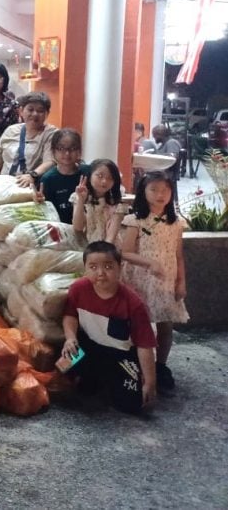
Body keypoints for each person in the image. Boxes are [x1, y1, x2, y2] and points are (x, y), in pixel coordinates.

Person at [59, 241, 157, 414]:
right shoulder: (78, 289)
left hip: (122, 355)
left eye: (108, 266)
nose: (100, 273)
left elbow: (144, 346)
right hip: (91, 346)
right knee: (63, 367)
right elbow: (70, 315)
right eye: (93, 267)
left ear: (120, 268)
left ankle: (105, 379)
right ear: (85, 269)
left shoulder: (133, 303)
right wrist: (70, 338)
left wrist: (150, 383)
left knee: (133, 404)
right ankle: (95, 378)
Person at [120, 170, 188, 394]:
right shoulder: (135, 220)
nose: (160, 194)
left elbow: (179, 255)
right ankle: (135, 363)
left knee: (165, 324)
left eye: (165, 190)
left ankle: (161, 365)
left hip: (165, 281)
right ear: (143, 191)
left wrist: (181, 282)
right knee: (136, 323)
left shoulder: (176, 223)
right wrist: (149, 263)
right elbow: (125, 252)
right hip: (139, 280)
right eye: (154, 189)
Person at [0, 91, 57, 189]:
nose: (35, 114)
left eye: (40, 111)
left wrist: (32, 175)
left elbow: (50, 161)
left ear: (47, 114)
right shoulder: (11, 131)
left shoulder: (51, 133)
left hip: (30, 189)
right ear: (21, 111)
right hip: (4, 187)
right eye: (30, 109)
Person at [34, 129, 90, 224]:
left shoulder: (88, 172)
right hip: (60, 227)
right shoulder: (48, 179)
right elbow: (47, 213)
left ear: (79, 151)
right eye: (61, 148)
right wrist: (40, 202)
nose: (67, 153)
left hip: (87, 226)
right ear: (53, 151)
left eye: (72, 148)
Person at [72, 159, 125, 244]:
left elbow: (111, 238)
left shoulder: (117, 204)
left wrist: (103, 250)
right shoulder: (77, 196)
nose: (104, 181)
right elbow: (78, 227)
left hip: (108, 247)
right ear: (90, 175)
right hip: (84, 246)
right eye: (100, 176)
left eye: (110, 178)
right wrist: (81, 200)